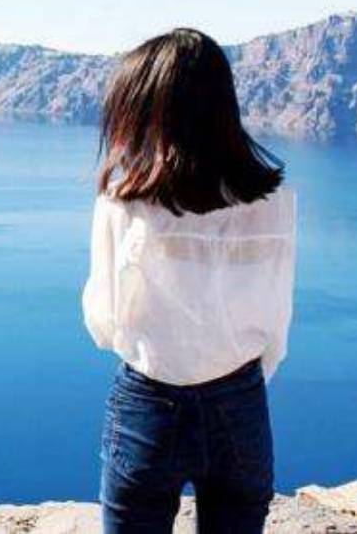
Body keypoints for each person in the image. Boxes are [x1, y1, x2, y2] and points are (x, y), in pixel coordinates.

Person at [82, 28, 296, 534]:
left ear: (145, 112)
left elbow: (105, 323)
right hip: (240, 402)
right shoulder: (276, 203)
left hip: (148, 405)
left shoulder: (123, 202)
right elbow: (277, 318)